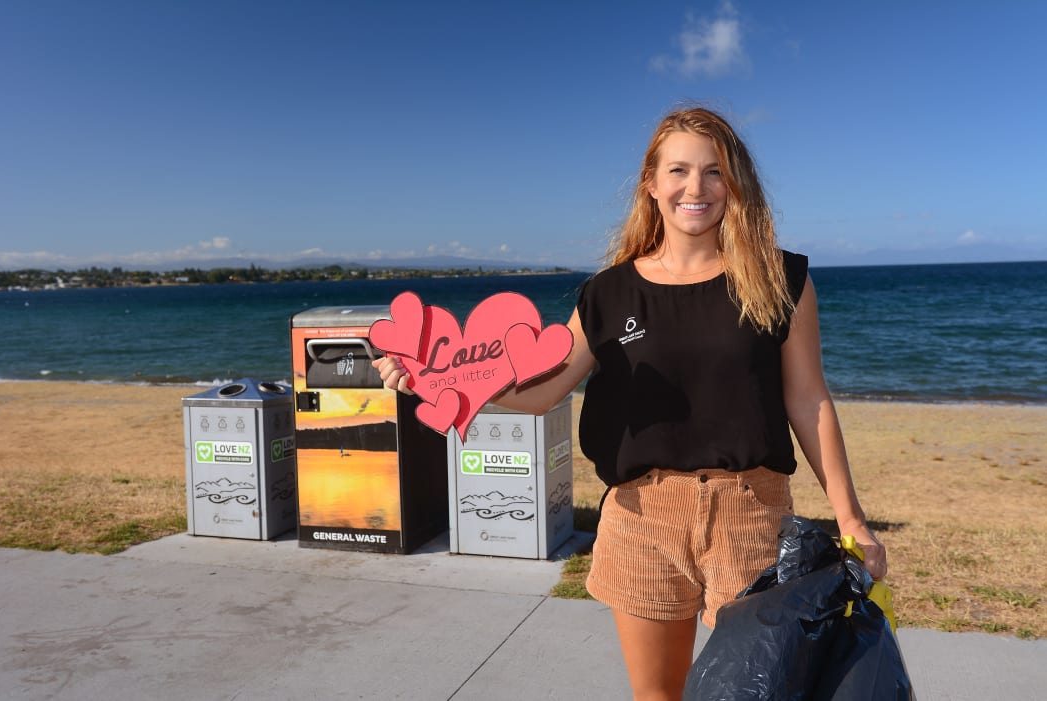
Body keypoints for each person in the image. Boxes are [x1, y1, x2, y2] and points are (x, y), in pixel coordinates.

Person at [374, 106, 886, 701]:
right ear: (652, 183)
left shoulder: (780, 280)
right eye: (678, 171)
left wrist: (850, 518)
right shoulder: (608, 292)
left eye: (714, 172)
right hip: (641, 518)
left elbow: (808, 400)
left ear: (735, 183)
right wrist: (442, 380)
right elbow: (545, 387)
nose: (695, 188)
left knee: (758, 693)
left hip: (752, 512)